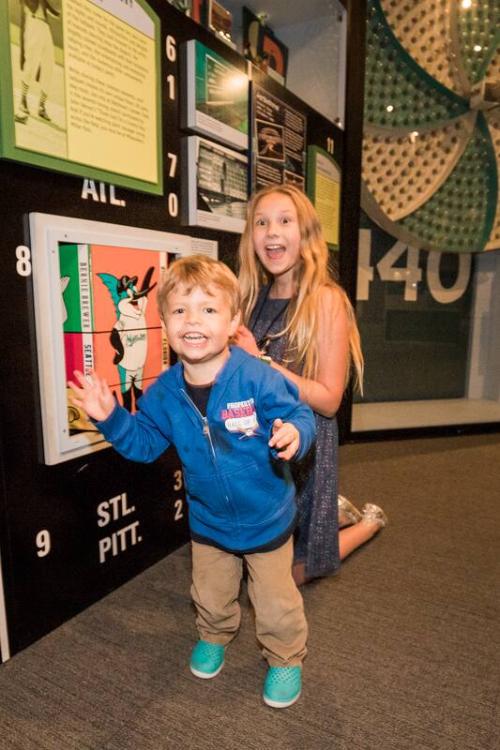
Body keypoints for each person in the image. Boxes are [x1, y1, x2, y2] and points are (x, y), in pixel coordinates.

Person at [69, 255, 316, 709]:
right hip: (209, 522)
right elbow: (143, 444)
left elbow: (299, 412)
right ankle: (214, 635)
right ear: (163, 322)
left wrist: (295, 433)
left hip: (267, 518)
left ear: (232, 320)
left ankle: (285, 658)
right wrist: (111, 418)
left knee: (276, 602)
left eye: (208, 309)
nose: (193, 321)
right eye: (180, 310)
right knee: (210, 592)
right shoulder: (163, 392)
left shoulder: (257, 376)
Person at [235, 184, 387, 586]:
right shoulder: (250, 296)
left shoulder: (325, 300)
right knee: (242, 562)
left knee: (288, 576)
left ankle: (368, 522)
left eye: (285, 221)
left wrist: (260, 363)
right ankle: (331, 514)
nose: (272, 232)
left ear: (306, 234)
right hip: (258, 444)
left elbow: (329, 400)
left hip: (305, 448)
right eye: (261, 222)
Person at [15, 0, 60, 124]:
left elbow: (55, 12)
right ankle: (23, 101)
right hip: (33, 23)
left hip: (45, 27)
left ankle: (41, 106)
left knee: (49, 65)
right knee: (31, 64)